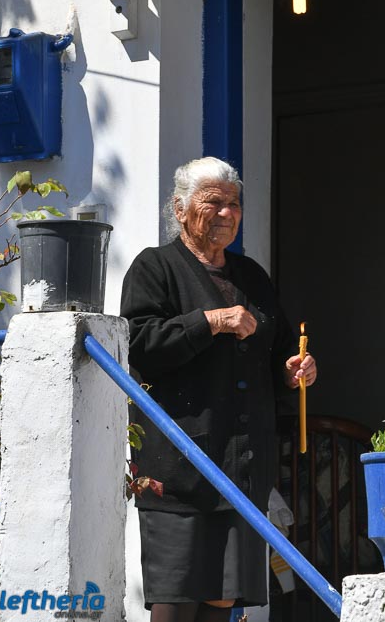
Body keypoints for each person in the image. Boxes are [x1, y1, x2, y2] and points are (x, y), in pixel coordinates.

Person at [120, 157, 317, 622]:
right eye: (214, 202)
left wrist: (296, 369)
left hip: (242, 469)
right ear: (180, 208)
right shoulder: (155, 267)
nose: (227, 213)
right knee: (177, 600)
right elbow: (140, 344)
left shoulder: (252, 277)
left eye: (234, 203)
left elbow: (279, 350)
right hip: (179, 469)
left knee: (223, 601)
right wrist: (211, 321)